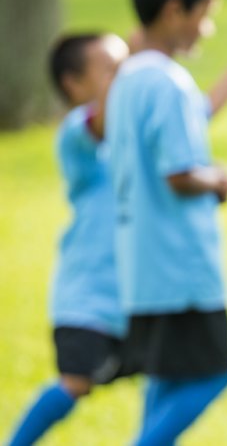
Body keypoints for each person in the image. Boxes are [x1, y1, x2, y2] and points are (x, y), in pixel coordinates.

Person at [104, 0, 227, 443]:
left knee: (166, 379)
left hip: (142, 266)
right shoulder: (169, 83)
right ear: (176, 10)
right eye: (205, 16)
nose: (207, 29)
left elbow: (192, 123)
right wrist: (217, 180)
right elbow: (178, 173)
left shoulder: (128, 79)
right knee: (213, 374)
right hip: (181, 268)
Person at [7, 33, 131, 446]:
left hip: (131, 298)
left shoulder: (124, 142)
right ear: (74, 84)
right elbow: (100, 120)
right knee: (75, 383)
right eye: (111, 69)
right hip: (88, 298)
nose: (124, 76)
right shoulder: (76, 133)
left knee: (177, 372)